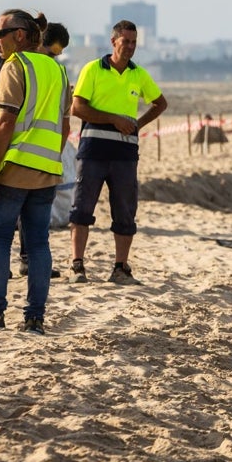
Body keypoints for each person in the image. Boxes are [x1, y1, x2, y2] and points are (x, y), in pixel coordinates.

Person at [0, 9, 71, 335]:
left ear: (20, 35)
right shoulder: (58, 71)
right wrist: (49, 157)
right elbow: (65, 125)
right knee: (38, 244)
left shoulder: (15, 65)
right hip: (46, 171)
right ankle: (35, 318)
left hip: (14, 170)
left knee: (0, 240)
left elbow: (5, 123)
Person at [68, 20, 167, 285]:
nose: (131, 47)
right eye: (126, 42)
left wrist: (137, 125)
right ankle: (77, 266)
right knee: (82, 208)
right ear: (113, 42)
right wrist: (113, 118)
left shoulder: (139, 74)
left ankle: (121, 268)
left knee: (125, 211)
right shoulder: (92, 69)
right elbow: (77, 108)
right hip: (93, 151)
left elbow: (160, 103)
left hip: (125, 155)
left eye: (134, 42)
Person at [18, 18, 71, 279]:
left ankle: (29, 262)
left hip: (40, 160)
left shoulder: (48, 70)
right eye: (53, 52)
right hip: (21, 158)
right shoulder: (19, 66)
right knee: (13, 222)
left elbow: (64, 121)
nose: (55, 59)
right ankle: (25, 262)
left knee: (34, 225)